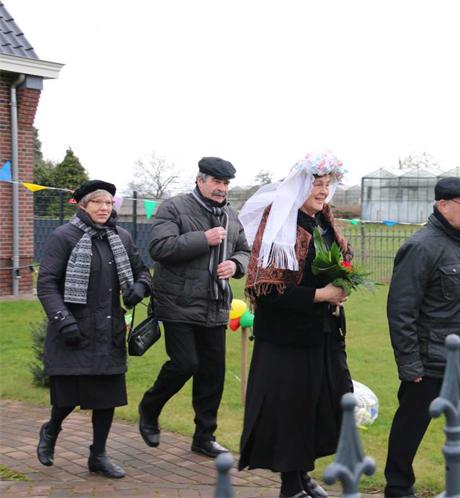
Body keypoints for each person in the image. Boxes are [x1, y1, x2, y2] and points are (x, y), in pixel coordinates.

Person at [237, 151, 353, 498]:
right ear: (300, 185)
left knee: (321, 405)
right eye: (317, 184)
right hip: (286, 339)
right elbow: (268, 290)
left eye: (327, 184)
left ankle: (303, 474)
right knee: (291, 410)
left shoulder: (323, 222)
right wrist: (321, 295)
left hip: (322, 332)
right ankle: (290, 485)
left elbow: (338, 265)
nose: (323, 191)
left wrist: (341, 287)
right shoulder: (281, 223)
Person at [384, 177, 460, 498]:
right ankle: (398, 488)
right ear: (443, 205)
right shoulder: (421, 247)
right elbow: (401, 310)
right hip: (429, 364)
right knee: (410, 428)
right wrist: (410, 365)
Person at [36, 180, 152, 478]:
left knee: (106, 399)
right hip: (73, 330)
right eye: (97, 202)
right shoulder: (64, 236)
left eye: (108, 203)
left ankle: (98, 456)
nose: (104, 208)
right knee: (67, 397)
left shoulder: (121, 237)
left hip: (109, 330)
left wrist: (140, 286)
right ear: (83, 205)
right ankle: (51, 430)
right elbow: (46, 284)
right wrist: (63, 320)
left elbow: (142, 271)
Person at [138, 157, 251, 457]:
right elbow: (159, 248)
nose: (221, 188)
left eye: (225, 183)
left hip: (216, 303)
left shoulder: (231, 215)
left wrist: (235, 265)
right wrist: (203, 238)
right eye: (216, 181)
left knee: (212, 374)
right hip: (178, 302)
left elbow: (245, 250)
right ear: (200, 180)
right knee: (185, 364)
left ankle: (204, 437)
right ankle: (149, 407)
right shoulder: (174, 207)